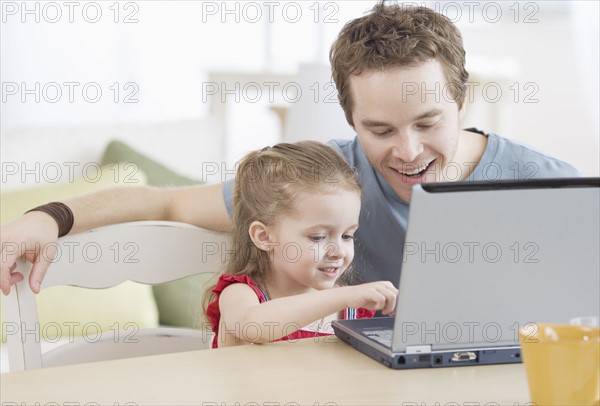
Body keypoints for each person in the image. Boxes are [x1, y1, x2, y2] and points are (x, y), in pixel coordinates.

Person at [0, 2, 580, 296]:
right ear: (350, 118)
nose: (408, 151)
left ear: (461, 100)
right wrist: (46, 216)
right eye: (379, 130)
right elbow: (166, 203)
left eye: (427, 122)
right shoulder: (316, 183)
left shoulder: (551, 184)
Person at [204, 141, 397, 347]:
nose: (338, 251)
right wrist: (343, 296)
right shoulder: (242, 295)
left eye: (347, 236)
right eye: (319, 237)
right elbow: (253, 327)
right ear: (264, 237)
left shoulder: (347, 309)